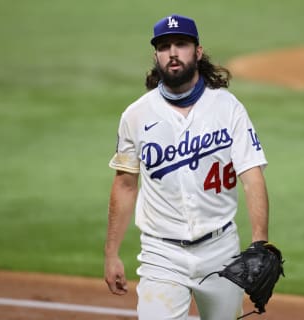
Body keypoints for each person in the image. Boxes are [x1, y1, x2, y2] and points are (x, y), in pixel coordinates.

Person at [104, 14, 270, 320]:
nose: (173, 52)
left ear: (198, 50)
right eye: (164, 46)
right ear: (156, 55)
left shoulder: (227, 107)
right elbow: (125, 185)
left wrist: (260, 240)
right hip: (161, 253)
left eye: (181, 44)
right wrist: (111, 253)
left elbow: (252, 176)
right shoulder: (136, 116)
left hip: (221, 250)